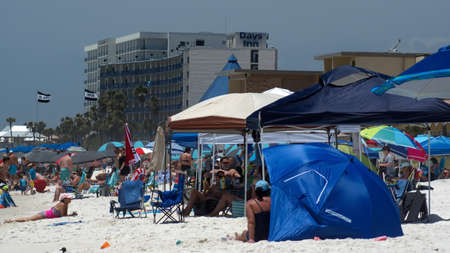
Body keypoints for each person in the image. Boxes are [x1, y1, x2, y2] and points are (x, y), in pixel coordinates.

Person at [5, 193, 77, 223]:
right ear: (64, 199)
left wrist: (71, 215)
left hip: (46, 214)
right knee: (28, 219)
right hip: (45, 214)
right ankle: (12, 221)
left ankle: (12, 220)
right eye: (68, 198)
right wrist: (71, 215)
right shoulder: (62, 204)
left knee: (29, 218)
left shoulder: (65, 204)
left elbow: (64, 215)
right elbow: (63, 215)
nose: (70, 199)